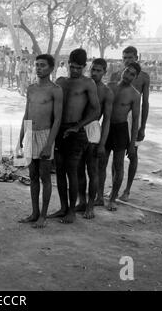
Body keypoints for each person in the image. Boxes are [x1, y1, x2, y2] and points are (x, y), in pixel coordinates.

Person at [49, 48, 100, 224]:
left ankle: (71, 210)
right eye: (72, 67)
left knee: (72, 171)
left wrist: (78, 126)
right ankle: (63, 208)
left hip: (76, 132)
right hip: (59, 130)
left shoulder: (88, 83)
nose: (75, 70)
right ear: (68, 63)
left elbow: (96, 110)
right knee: (60, 172)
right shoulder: (61, 81)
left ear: (84, 67)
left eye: (79, 68)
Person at [17, 54, 63, 228]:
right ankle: (34, 213)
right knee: (32, 176)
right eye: (37, 65)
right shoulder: (31, 88)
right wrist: (20, 138)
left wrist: (49, 144)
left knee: (45, 177)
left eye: (43, 65)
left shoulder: (55, 90)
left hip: (45, 135)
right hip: (30, 133)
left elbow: (57, 119)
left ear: (51, 68)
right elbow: (26, 114)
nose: (38, 68)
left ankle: (43, 216)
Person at [109, 47, 150, 203]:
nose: (127, 60)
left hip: (134, 116)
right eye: (125, 57)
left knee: (132, 153)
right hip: (118, 117)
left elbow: (145, 103)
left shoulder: (144, 77)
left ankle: (127, 190)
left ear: (136, 57)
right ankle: (114, 189)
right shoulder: (116, 75)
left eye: (130, 57)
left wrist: (143, 126)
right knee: (116, 155)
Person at [100, 63, 141, 211]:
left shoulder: (135, 95)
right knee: (101, 163)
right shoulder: (110, 86)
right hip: (106, 127)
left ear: (135, 77)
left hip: (121, 130)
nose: (128, 76)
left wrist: (132, 144)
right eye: (127, 72)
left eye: (132, 74)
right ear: (123, 71)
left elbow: (135, 120)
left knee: (118, 165)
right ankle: (99, 196)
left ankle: (112, 199)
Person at [76, 58, 114, 219]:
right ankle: (82, 201)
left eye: (99, 70)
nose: (95, 73)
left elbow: (106, 121)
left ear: (104, 72)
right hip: (78, 128)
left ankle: (91, 206)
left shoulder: (106, 92)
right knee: (78, 169)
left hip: (93, 130)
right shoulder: (82, 85)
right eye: (93, 69)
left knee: (92, 170)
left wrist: (102, 144)